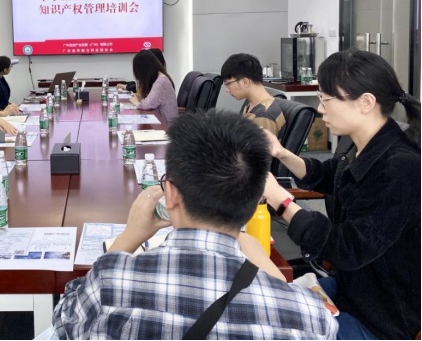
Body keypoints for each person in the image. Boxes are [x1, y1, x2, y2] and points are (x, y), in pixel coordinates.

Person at [52, 111, 337, 339]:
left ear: (171, 194)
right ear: (254, 203)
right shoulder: (311, 317)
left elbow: (66, 321)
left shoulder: (109, 283)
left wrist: (129, 237)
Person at [261, 50, 420, 340]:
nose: (321, 110)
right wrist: (281, 153)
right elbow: (328, 175)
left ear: (366, 102)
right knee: (269, 308)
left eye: (326, 99)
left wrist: (282, 202)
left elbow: (348, 249)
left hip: (380, 314)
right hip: (351, 287)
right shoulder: (362, 145)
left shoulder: (401, 168)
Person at [221, 52, 286, 136]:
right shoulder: (251, 104)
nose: (227, 90)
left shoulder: (264, 116)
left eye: (228, 84)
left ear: (245, 82)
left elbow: (259, 145)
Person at [129, 49, 177, 123]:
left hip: (166, 125)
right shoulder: (158, 78)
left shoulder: (161, 81)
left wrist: (136, 102)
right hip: (160, 121)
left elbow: (147, 105)